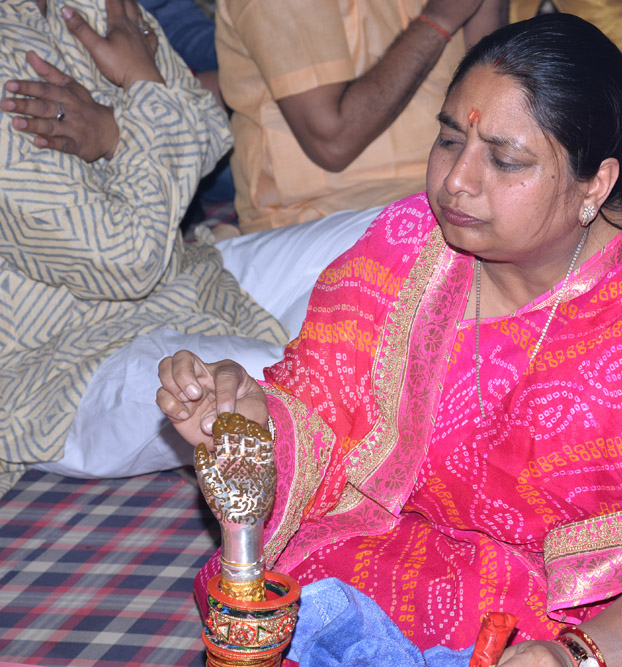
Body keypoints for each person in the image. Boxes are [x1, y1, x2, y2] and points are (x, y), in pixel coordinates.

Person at [157, 14, 622, 666]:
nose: (456, 181)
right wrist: (252, 423)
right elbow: (321, 414)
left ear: (596, 184)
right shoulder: (404, 251)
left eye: (505, 160)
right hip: (450, 554)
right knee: (280, 609)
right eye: (449, 139)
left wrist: (579, 656)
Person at [0, 0, 376, 493]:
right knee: (307, 390)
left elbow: (210, 128)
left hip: (192, 276)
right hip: (66, 363)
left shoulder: (91, 5)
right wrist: (140, 95)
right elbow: (127, 259)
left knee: (404, 232)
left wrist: (115, 128)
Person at [216, 0, 506, 234]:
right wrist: (439, 19)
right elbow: (333, 143)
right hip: (324, 216)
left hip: (450, 191)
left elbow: (493, 96)